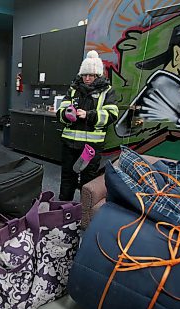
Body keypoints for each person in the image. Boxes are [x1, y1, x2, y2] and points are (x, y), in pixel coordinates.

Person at [57, 50, 119, 201]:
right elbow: (60, 112)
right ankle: (63, 210)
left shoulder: (107, 91)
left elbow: (112, 114)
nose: (87, 78)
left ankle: (84, 213)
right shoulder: (73, 89)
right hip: (69, 144)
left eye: (91, 75)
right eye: (85, 75)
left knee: (87, 180)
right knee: (67, 177)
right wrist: (66, 114)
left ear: (98, 75)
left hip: (90, 147)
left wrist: (89, 115)